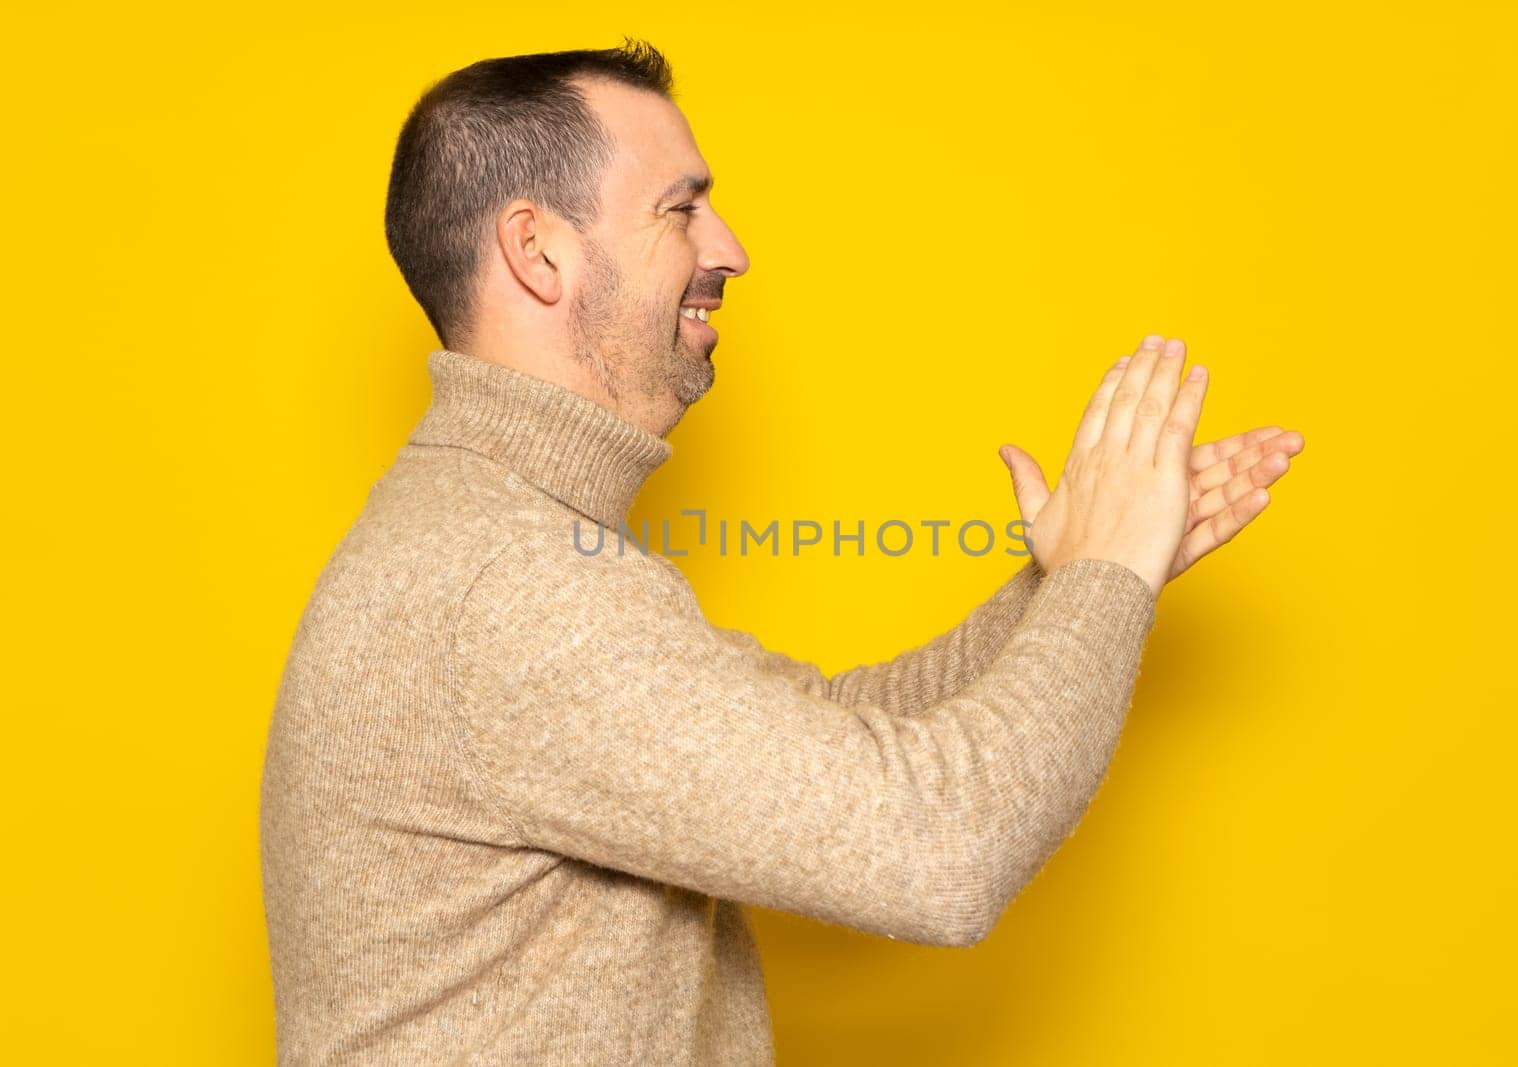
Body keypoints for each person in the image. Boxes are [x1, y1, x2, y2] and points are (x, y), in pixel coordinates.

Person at [258, 38, 1304, 1065]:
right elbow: (938, 851)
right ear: (538, 252)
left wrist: (1070, 578)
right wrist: (1099, 578)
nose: (730, 247)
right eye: (681, 206)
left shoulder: (498, 537)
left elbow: (828, 735)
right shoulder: (508, 585)